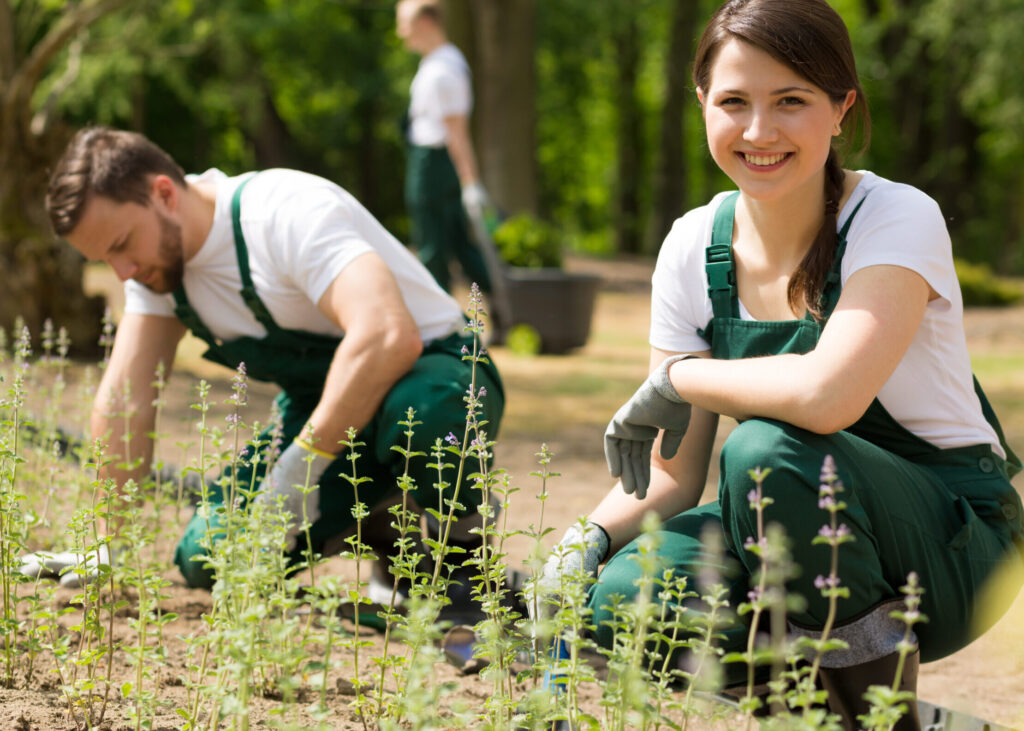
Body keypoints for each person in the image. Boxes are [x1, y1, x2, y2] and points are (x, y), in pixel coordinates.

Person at [538, 1, 1023, 728]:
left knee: (764, 450)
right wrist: (588, 541)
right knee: (621, 598)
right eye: (734, 102)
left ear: (840, 109)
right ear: (702, 104)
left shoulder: (895, 217)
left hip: (953, 544)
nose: (759, 132)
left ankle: (878, 721)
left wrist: (675, 377)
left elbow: (827, 398)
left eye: (791, 101)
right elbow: (671, 476)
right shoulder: (691, 246)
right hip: (781, 522)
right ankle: (889, 712)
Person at [23, 126, 504, 595]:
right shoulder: (155, 276)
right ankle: (385, 529)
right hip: (331, 409)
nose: (122, 272)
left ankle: (464, 560)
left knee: (424, 408)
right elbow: (125, 400)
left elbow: (388, 335)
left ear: (164, 194)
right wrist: (106, 541)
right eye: (105, 260)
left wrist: (302, 467)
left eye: (121, 244)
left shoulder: (283, 213)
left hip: (436, 370)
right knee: (206, 557)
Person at [395, 0, 494, 295]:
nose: (401, 33)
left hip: (434, 165)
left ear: (426, 22)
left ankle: (448, 327)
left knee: (433, 249)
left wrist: (470, 181)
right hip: (430, 162)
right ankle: (498, 313)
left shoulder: (443, 71)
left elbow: (457, 132)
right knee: (456, 244)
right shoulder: (436, 63)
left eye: (405, 24)